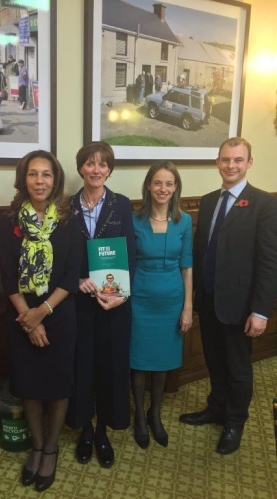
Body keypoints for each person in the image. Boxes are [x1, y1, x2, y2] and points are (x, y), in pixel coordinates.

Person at [180, 137, 277, 455]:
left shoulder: (264, 203)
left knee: (237, 368)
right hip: (207, 300)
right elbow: (200, 250)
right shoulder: (208, 201)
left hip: (240, 306)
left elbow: (268, 261)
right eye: (225, 159)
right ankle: (216, 408)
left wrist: (261, 311)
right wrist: (191, 297)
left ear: (249, 163)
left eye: (238, 160)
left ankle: (235, 422)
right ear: (218, 162)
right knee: (215, 362)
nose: (231, 165)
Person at [0, 150, 82, 492]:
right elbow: (6, 276)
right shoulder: (10, 221)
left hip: (59, 314)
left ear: (55, 179)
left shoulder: (68, 219)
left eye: (46, 174)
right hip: (21, 316)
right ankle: (36, 446)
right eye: (33, 174)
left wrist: (42, 313)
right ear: (24, 179)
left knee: (58, 385)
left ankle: (51, 448)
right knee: (30, 386)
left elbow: (71, 274)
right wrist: (29, 320)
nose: (39, 181)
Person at [66, 141, 136, 469]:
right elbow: (63, 257)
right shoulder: (66, 207)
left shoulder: (121, 205)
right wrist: (76, 282)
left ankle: (104, 431)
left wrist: (121, 293)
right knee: (81, 367)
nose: (97, 170)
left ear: (109, 169)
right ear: (81, 168)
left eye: (103, 164)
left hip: (114, 305)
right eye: (91, 164)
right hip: (79, 304)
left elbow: (130, 253)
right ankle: (85, 429)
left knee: (110, 367)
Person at [130, 162, 192, 450]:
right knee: (140, 362)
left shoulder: (185, 221)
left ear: (176, 187)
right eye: (158, 183)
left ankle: (155, 414)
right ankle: (140, 416)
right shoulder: (134, 220)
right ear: (148, 186)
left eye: (169, 183)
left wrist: (188, 307)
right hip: (140, 299)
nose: (163, 189)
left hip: (172, 300)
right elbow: (124, 263)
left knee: (163, 361)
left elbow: (187, 266)